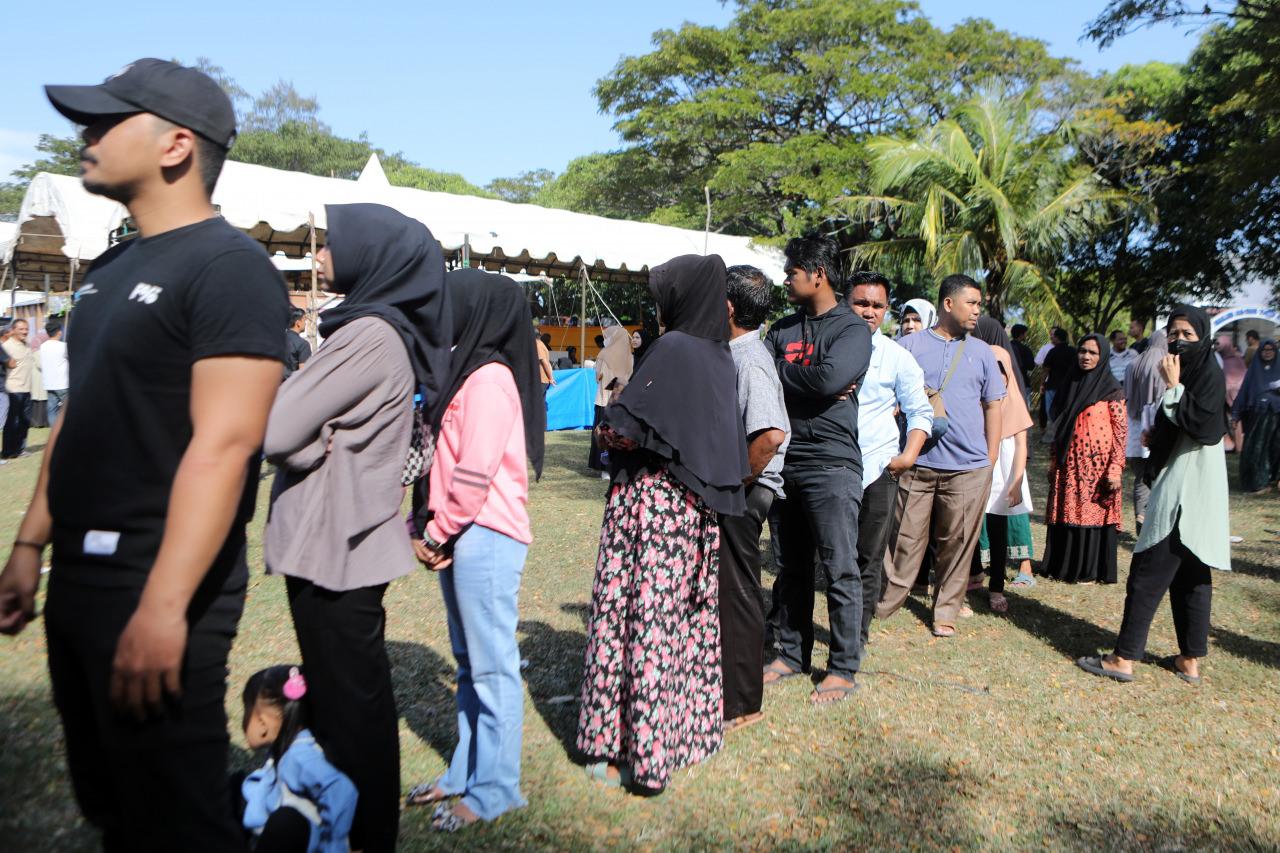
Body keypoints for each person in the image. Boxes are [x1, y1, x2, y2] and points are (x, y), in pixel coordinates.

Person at [0, 59, 289, 851]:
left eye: (105, 122)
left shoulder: (231, 269)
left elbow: (224, 446)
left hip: (162, 583)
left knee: (177, 819)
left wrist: (164, 606)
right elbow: (77, 420)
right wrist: (29, 543)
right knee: (109, 802)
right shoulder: (108, 270)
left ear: (175, 146)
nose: (84, 138)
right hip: (81, 578)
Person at [263, 203, 451, 852]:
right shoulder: (375, 329)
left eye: (331, 244)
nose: (318, 255)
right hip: (342, 542)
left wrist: (311, 442)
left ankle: (365, 835)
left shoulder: (368, 333)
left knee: (354, 715)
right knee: (352, 707)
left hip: (335, 548)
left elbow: (279, 426)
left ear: (372, 256)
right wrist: (318, 436)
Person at [577, 254, 749, 794]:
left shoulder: (672, 349)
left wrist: (608, 422)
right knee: (680, 624)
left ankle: (637, 756)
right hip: (692, 514)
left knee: (637, 621)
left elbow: (628, 431)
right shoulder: (719, 356)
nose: (657, 303)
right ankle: (678, 739)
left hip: (651, 509)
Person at [405, 268, 544, 830]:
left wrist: (440, 532)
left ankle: (496, 789)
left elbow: (475, 472)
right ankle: (465, 773)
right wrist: (433, 527)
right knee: (469, 666)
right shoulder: (466, 371)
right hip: (461, 533)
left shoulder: (489, 380)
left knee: (492, 669)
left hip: (483, 534)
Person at [1078, 305, 1230, 684]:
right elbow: (1178, 423)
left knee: (1147, 572)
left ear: (1204, 338)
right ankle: (1189, 659)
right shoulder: (1195, 370)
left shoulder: (1205, 373)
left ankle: (1123, 658)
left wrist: (1174, 389)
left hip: (1185, 490)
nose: (1178, 341)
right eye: (1173, 333)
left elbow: (1205, 426)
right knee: (1191, 576)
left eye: (1187, 335)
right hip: (1194, 489)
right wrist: (1157, 435)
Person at [762, 235, 872, 703]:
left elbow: (831, 377)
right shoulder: (782, 330)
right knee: (790, 566)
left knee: (840, 567)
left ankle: (844, 667)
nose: (786, 279)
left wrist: (785, 377)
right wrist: (815, 382)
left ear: (818, 274)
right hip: (784, 461)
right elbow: (769, 376)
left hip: (832, 463)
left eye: (793, 272)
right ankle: (791, 653)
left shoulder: (851, 329)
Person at [877, 274, 1004, 638]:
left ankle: (946, 609)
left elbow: (993, 405)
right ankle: (887, 602)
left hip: (968, 468)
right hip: (916, 462)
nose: (978, 311)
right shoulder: (909, 346)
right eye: (972, 303)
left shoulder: (982, 352)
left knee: (958, 543)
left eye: (980, 304)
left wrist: (990, 458)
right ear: (949, 304)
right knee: (904, 538)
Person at [717, 265, 789, 734]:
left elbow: (769, 436)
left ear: (726, 308)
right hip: (740, 489)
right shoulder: (735, 352)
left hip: (747, 492)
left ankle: (744, 703)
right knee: (728, 589)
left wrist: (734, 483)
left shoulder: (750, 359)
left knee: (740, 592)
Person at [846, 272, 931, 654]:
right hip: (829, 469)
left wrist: (908, 456)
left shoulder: (898, 357)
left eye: (877, 306)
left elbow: (920, 411)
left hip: (878, 469)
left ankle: (855, 638)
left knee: (867, 558)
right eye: (861, 303)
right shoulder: (825, 347)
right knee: (830, 556)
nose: (869, 312)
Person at [238, 666, 358, 853]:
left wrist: (334, 846)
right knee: (234, 786)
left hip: (293, 840)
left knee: (285, 822)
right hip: (269, 830)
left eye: (246, 710)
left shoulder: (300, 756)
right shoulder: (287, 747)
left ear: (262, 723)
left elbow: (342, 789)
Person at [1041, 335, 1127, 584]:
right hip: (1068, 464)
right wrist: (1053, 460)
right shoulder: (1070, 384)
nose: (1086, 357)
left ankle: (1088, 571)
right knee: (1067, 512)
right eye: (1082, 351)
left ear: (1103, 357)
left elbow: (1121, 432)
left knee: (1091, 514)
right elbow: (1059, 427)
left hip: (1097, 469)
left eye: (1092, 352)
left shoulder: (1112, 389)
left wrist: (1115, 467)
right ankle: (1062, 567)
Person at [968, 316, 1034, 611]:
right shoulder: (972, 404)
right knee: (967, 527)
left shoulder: (1014, 401)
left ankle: (997, 585)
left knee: (997, 529)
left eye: (1000, 372)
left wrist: (1017, 480)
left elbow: (1021, 443)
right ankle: (970, 576)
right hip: (973, 466)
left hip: (1003, 475)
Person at [1123, 330, 1169, 534]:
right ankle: (1147, 520)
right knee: (1154, 477)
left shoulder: (1133, 362)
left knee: (1141, 476)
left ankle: (1141, 517)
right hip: (1154, 426)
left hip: (1132, 427)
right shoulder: (1165, 363)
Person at [1233, 338, 1280, 493]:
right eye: (1264, 350)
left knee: (1275, 448)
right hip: (1258, 416)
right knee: (1256, 449)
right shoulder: (1254, 371)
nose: (1267, 353)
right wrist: (1235, 414)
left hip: (1277, 416)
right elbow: (1244, 392)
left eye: (1270, 350)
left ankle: (1274, 479)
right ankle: (1258, 482)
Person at [587, 325, 633, 475]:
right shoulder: (629, 356)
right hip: (621, 401)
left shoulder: (604, 354)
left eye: (607, 337)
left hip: (603, 399)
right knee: (617, 435)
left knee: (602, 433)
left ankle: (601, 468)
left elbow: (597, 377)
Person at [2, 317, 34, 458]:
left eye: (26, 329)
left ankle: (20, 449)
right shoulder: (7, 346)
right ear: (13, 330)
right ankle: (8, 451)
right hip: (13, 389)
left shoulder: (26, 345)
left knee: (25, 421)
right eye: (21, 329)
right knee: (12, 422)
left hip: (27, 389)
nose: (25, 331)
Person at [1041, 327, 1076, 422]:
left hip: (1053, 385)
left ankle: (1055, 429)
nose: (1051, 338)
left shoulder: (1053, 352)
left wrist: (1042, 383)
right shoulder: (1073, 351)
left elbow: (1046, 369)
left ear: (1057, 338)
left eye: (1053, 336)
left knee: (1051, 410)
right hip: (1069, 386)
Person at [1218, 336, 1247, 452]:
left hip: (1232, 396)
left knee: (1234, 421)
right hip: (1232, 395)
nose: (1218, 346)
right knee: (1233, 421)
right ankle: (1235, 445)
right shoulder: (1236, 359)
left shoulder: (1223, 360)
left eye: (1220, 344)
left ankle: (1237, 446)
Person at [40, 317, 70, 425]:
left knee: (52, 411)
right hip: (63, 383)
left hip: (49, 383)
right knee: (68, 410)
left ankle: (54, 432)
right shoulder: (63, 346)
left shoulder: (42, 347)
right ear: (59, 332)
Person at [283, 307, 312, 380]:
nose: (305, 323)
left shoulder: (277, 340)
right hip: (292, 386)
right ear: (298, 323)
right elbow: (303, 373)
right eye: (304, 320)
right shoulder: (303, 344)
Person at [1008, 323, 1036, 394]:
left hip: (1008, 382)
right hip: (1023, 381)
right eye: (1025, 334)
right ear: (1021, 335)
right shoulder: (1026, 349)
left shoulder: (1005, 346)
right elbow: (1031, 366)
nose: (1026, 336)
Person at [536, 331, 556, 395]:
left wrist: (550, 378)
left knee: (537, 402)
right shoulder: (541, 345)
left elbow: (544, 362)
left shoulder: (538, 345)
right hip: (543, 380)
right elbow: (547, 363)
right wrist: (551, 377)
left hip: (541, 379)